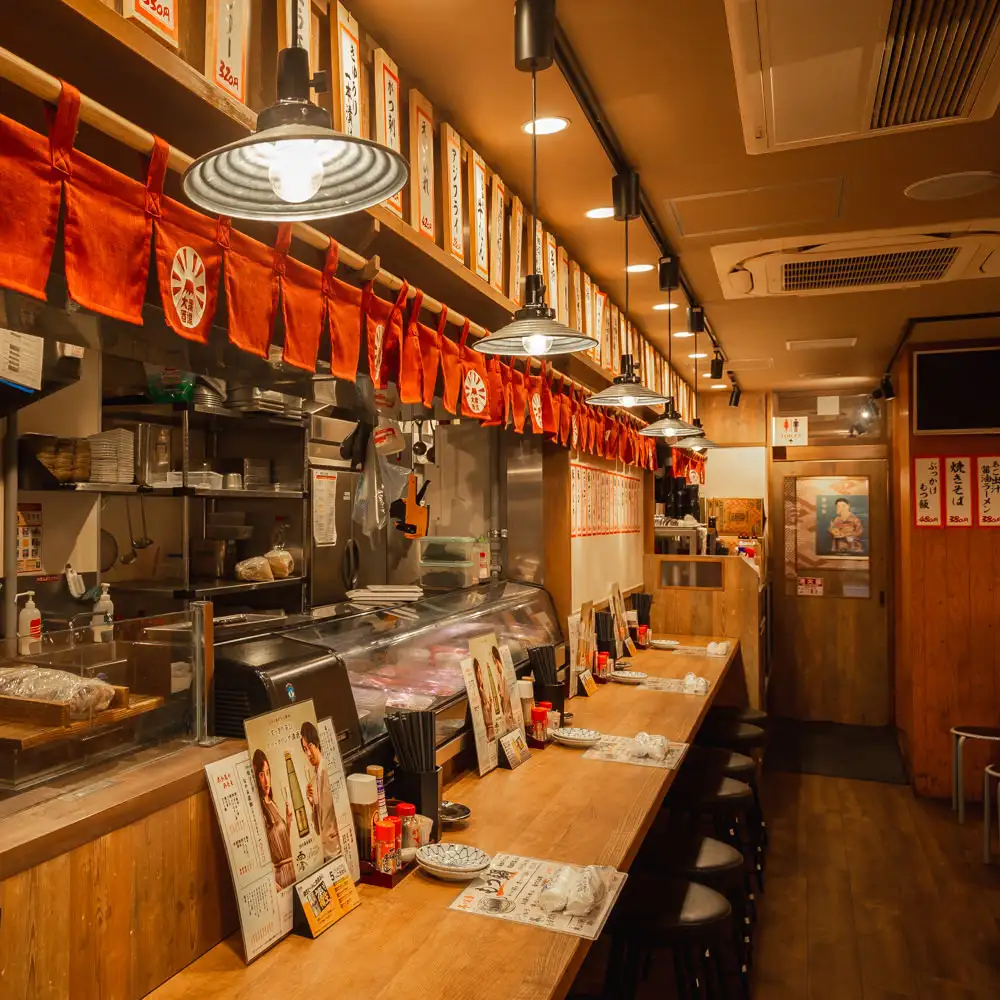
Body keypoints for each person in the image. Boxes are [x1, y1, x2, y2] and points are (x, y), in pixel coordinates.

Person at [252, 749, 296, 890]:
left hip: (292, 871)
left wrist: (288, 822)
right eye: (261, 774)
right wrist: (276, 887)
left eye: (268, 773)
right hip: (281, 879)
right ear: (256, 777)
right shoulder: (260, 811)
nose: (266, 780)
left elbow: (283, 845)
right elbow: (260, 863)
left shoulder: (272, 803)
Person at [300, 720, 342, 862]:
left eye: (310, 746)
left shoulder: (327, 770)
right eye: (304, 749)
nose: (308, 753)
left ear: (317, 743)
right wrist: (312, 803)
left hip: (336, 848)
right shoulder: (315, 776)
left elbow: (336, 812)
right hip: (325, 851)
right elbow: (319, 828)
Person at [491, 645, 516, 735]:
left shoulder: (504, 675)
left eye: (494, 660)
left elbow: (504, 696)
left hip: (507, 717)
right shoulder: (499, 674)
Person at [472, 657, 496, 741]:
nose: (480, 675)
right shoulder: (477, 692)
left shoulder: (483, 689)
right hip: (486, 735)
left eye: (480, 672)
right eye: (478, 673)